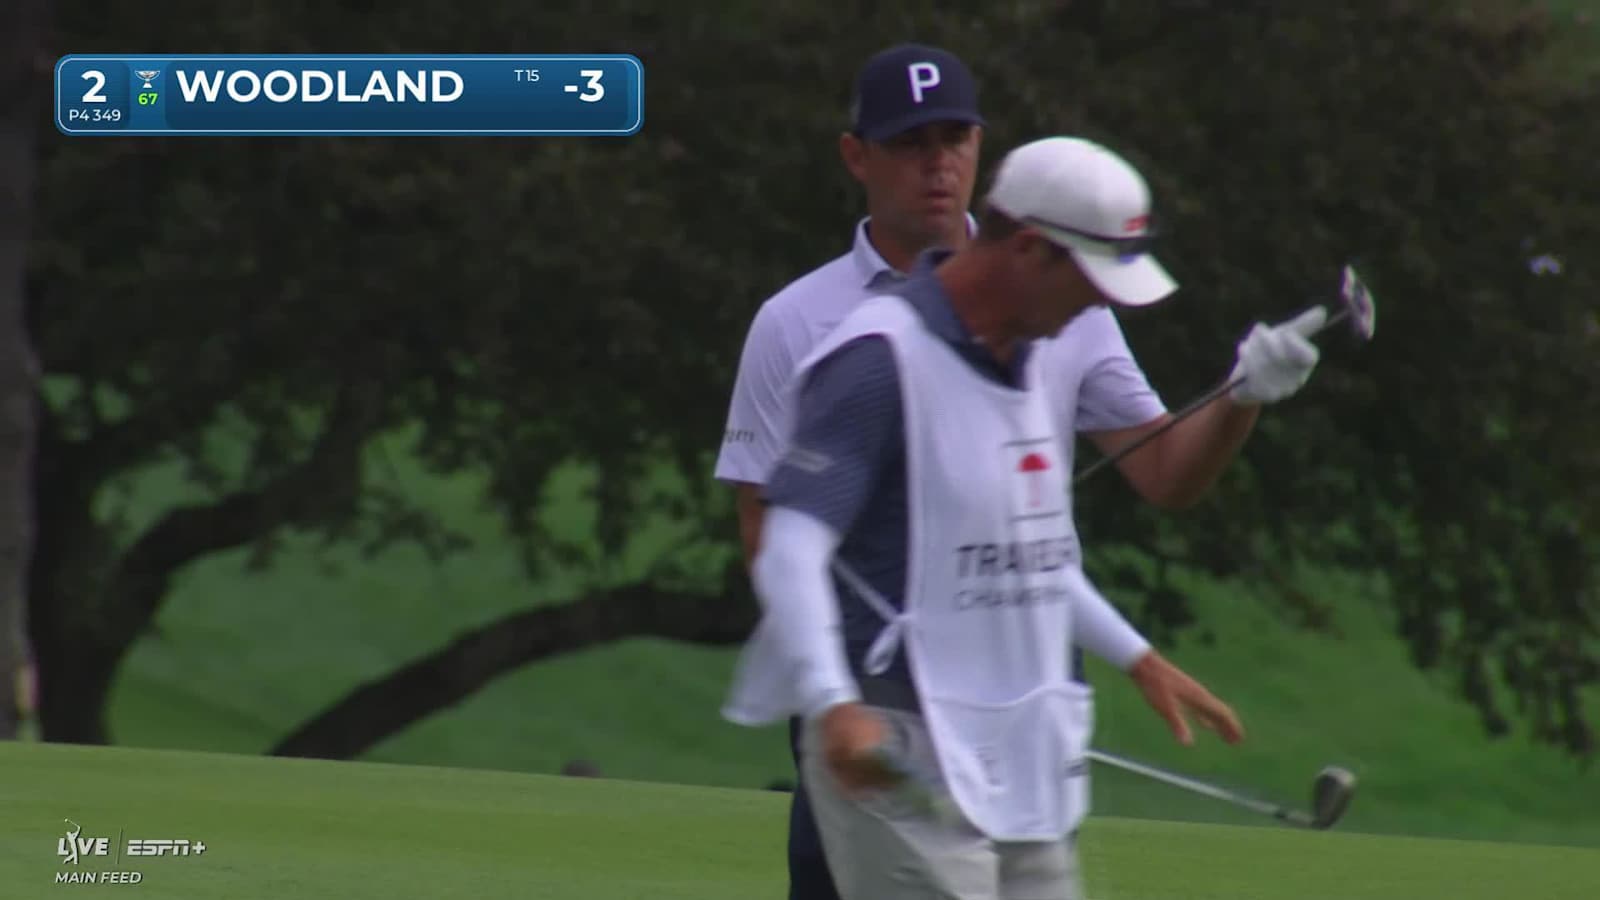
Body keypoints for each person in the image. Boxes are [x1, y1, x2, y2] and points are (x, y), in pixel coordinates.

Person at [715, 44, 1323, 899]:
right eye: (1091, 278)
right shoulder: (869, 354)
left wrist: (1241, 397)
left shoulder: (1030, 347)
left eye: (955, 138)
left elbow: (1026, 546)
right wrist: (831, 699)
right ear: (1032, 251)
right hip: (892, 717)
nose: (1103, 305)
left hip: (1024, 727)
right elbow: (780, 542)